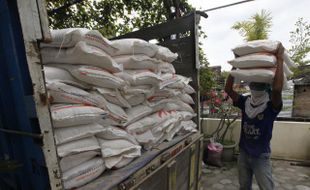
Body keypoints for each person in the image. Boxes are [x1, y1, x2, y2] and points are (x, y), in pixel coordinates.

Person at [224, 43, 285, 190]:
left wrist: (280, 59)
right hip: (244, 154)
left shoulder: (272, 106)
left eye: (259, 83)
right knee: (244, 187)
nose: (255, 86)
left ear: (266, 86)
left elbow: (277, 89)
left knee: (267, 187)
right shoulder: (245, 102)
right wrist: (235, 64)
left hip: (261, 156)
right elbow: (228, 89)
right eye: (254, 83)